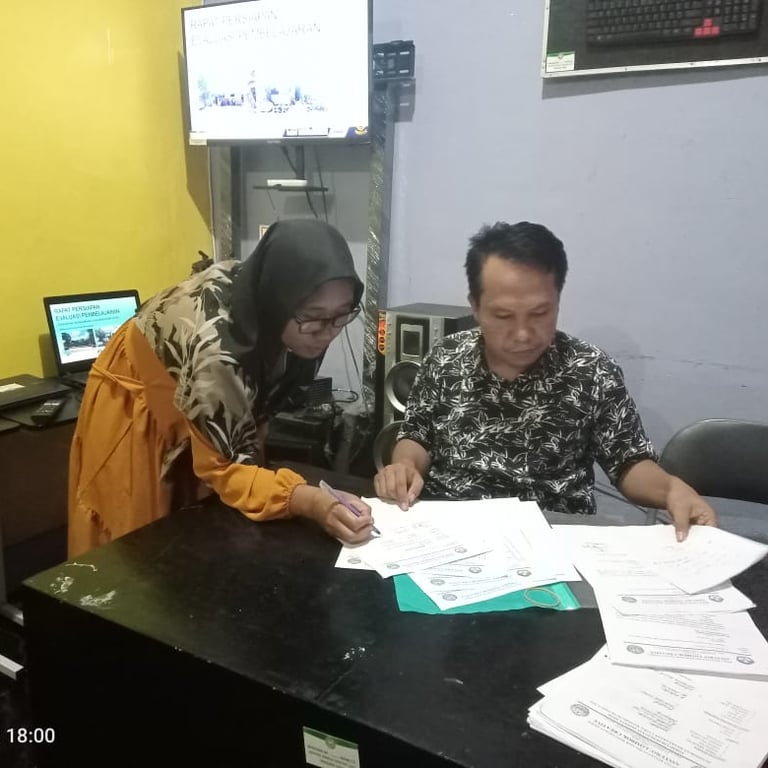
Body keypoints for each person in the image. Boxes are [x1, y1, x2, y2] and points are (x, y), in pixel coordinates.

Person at [374, 221, 717, 541]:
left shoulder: (591, 369)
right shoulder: (445, 357)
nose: (523, 334)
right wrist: (404, 465)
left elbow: (628, 462)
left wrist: (671, 489)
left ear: (558, 300)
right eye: (503, 316)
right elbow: (416, 435)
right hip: (450, 531)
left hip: (555, 535)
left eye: (540, 313)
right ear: (475, 307)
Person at [69, 219, 374, 557]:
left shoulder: (280, 305)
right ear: (278, 301)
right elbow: (225, 467)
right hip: (140, 404)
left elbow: (254, 409)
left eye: (342, 315)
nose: (328, 332)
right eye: (314, 317)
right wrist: (312, 502)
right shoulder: (218, 350)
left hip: (199, 384)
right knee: (138, 548)